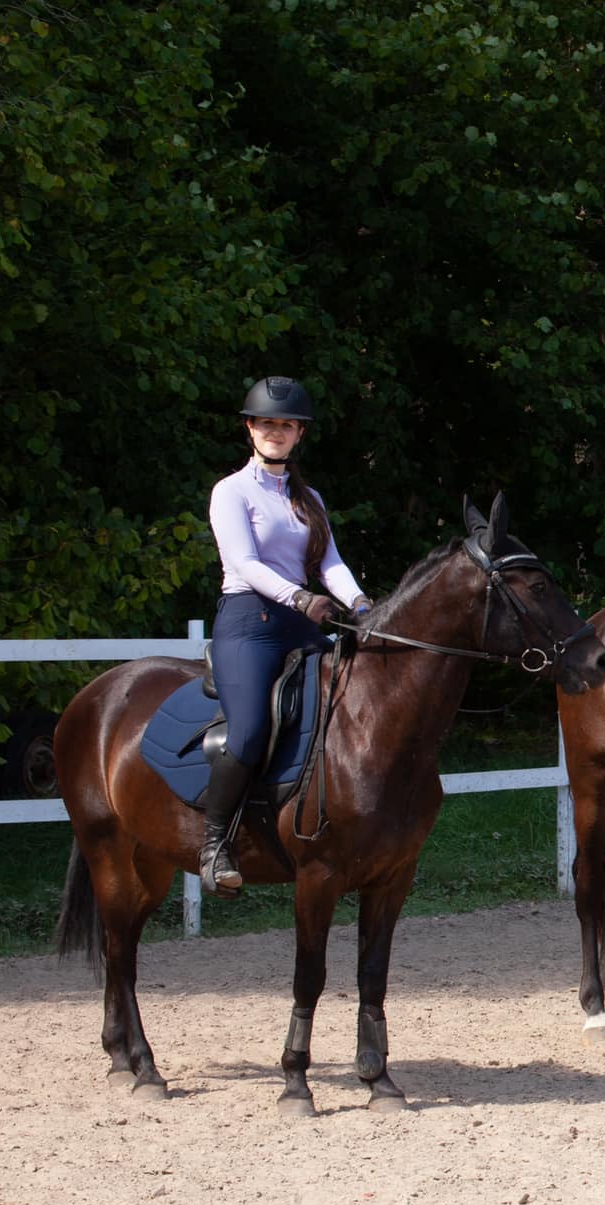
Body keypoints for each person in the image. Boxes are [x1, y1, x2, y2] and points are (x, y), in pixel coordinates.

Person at [202, 376, 372, 895]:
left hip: (302, 622)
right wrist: (300, 598)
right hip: (248, 623)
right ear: (251, 428)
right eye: (267, 423)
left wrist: (363, 605)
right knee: (250, 729)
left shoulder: (309, 498)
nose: (276, 432)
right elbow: (244, 564)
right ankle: (214, 844)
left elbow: (330, 562)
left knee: (350, 709)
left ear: (300, 433)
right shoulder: (230, 492)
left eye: (287, 425)